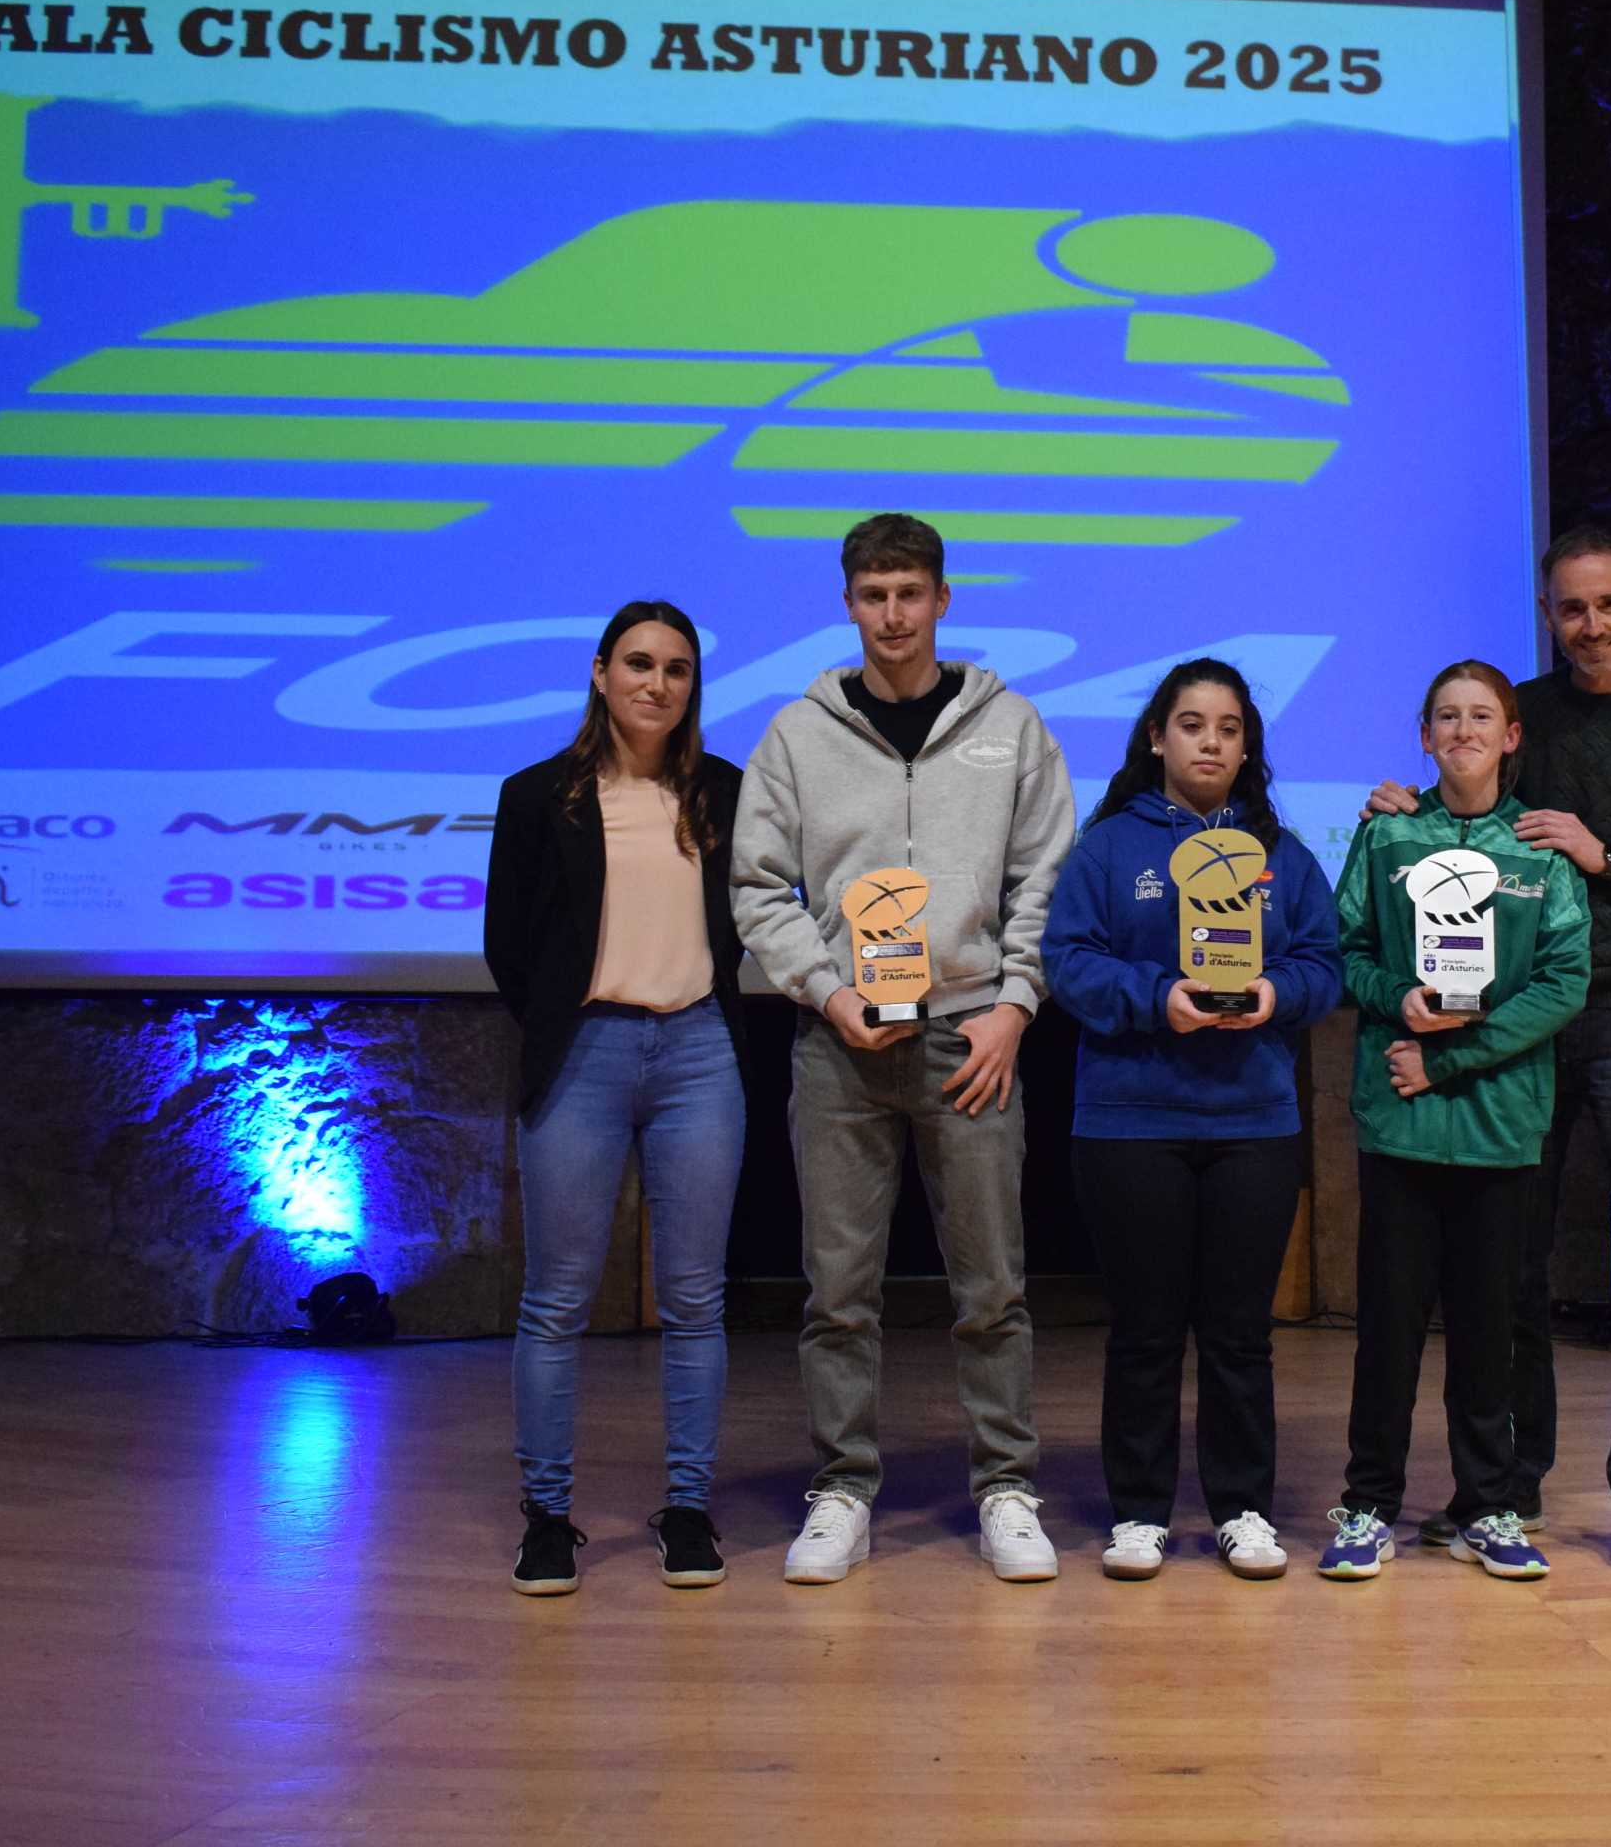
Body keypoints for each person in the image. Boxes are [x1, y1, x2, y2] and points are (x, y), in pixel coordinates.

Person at [1369, 528, 1611, 1569]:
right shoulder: (1523, 722)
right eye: (1568, 609)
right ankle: (1511, 1486)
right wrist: (1406, 810)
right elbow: (1470, 802)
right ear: (1549, 613)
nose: (1589, 626)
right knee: (1511, 1275)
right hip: (1521, 1030)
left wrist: (1608, 857)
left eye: (1605, 605)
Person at [731, 514, 1077, 1584]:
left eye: (910, 593)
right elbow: (757, 886)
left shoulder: (1009, 724)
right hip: (841, 1046)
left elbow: (1044, 877)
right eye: (873, 594)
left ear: (941, 600)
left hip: (971, 1034)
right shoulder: (798, 732)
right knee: (838, 1287)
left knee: (991, 1284)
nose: (892, 614)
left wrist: (1015, 1003)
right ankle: (841, 1488)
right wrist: (828, 992)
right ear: (849, 603)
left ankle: (1005, 1486)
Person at [1044, 660, 1342, 1581]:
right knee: (1142, 1328)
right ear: (1155, 739)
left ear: (1246, 746)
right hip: (1130, 1121)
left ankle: (1242, 1507)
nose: (1208, 742)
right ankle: (1138, 1512)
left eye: (1226, 728)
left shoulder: (1283, 856)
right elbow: (1066, 960)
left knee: (1240, 1331)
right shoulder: (1105, 850)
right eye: (1190, 724)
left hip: (1253, 1118)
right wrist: (1155, 997)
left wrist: (1272, 992)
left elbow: (1323, 964)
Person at [483, 600, 748, 1597]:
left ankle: (687, 1508)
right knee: (556, 1299)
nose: (657, 683)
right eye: (638, 663)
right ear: (600, 673)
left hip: (698, 1054)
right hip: (583, 1053)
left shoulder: (724, 791)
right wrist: (574, 1019)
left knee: (693, 1297)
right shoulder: (536, 794)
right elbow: (510, 946)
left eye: (677, 668)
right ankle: (548, 1518)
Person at [1320, 660, 1589, 1583]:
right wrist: (1403, 999)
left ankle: (1489, 1504)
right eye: (1446, 716)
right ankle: (1366, 1505)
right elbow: (1346, 950)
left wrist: (1450, 1058)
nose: (1464, 730)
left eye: (1482, 716)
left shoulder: (1543, 852)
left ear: (1512, 736)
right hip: (1400, 1124)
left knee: (1489, 1330)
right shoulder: (1389, 838)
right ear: (1425, 736)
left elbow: (1564, 982)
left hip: (1500, 1123)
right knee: (1387, 1328)